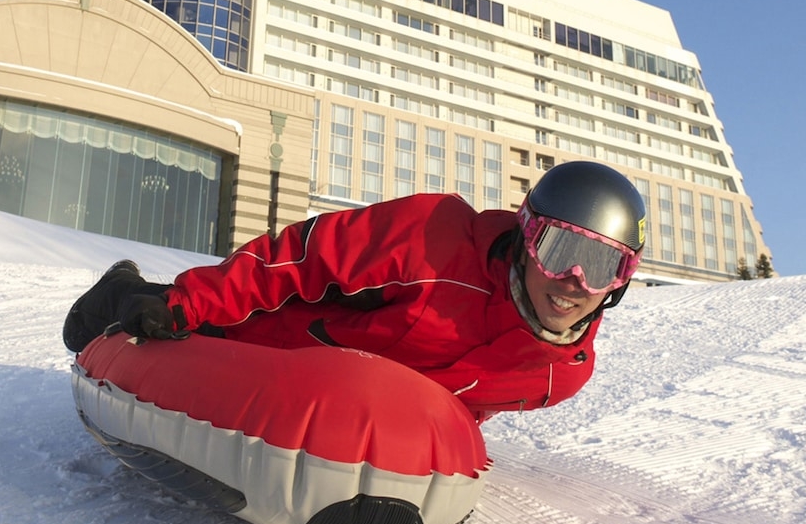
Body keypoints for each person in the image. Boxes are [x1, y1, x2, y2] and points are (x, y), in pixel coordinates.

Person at [64, 160, 646, 424]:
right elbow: (297, 258)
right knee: (158, 319)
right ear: (525, 236)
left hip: (341, 403)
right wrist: (187, 303)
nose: (575, 281)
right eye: (559, 251)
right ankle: (121, 289)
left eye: (604, 266)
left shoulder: (562, 373)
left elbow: (472, 401)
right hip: (257, 340)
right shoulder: (433, 241)